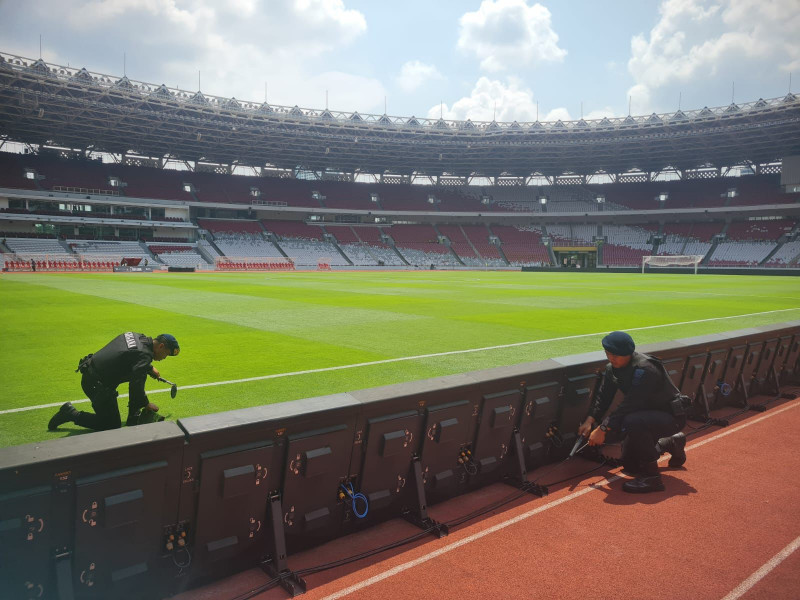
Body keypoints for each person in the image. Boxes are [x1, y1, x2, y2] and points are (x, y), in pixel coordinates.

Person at [578, 331, 687, 493]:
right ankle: (671, 442)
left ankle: (652, 478)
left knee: (631, 421)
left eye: (616, 355)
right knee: (631, 466)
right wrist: (590, 420)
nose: (611, 358)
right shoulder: (612, 369)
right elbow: (603, 398)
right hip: (644, 416)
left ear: (628, 353)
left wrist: (602, 429)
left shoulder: (646, 369)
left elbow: (631, 404)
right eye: (608, 353)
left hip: (670, 417)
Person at [48, 332, 180, 431]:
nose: (164, 358)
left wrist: (149, 368)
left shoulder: (137, 336)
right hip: (95, 385)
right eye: (166, 354)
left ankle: (132, 417)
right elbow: (136, 386)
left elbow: (130, 355)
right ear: (161, 346)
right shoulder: (144, 357)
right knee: (111, 425)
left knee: (140, 374)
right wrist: (145, 404)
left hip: (90, 372)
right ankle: (71, 414)